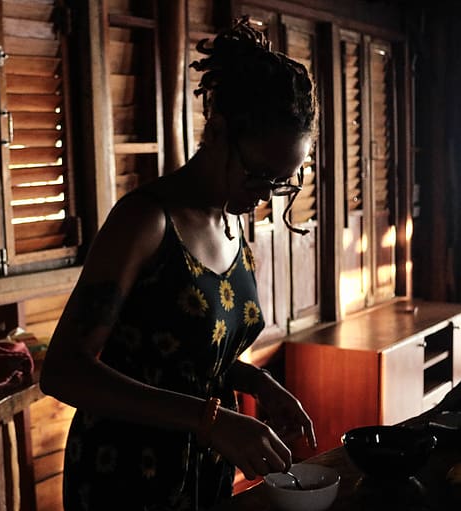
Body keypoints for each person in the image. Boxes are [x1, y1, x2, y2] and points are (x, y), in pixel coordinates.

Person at [39, 17, 318, 511]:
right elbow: (64, 371)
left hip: (202, 469)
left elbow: (185, 358)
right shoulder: (146, 221)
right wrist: (209, 420)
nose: (265, 196)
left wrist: (256, 382)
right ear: (219, 130)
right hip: (127, 474)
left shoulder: (232, 220)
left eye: (282, 183)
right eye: (259, 175)